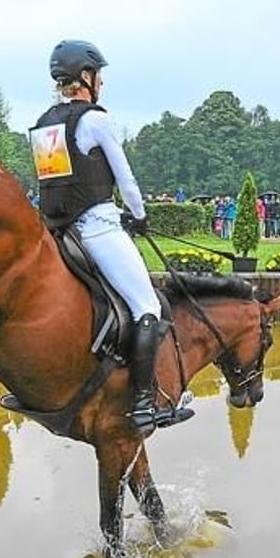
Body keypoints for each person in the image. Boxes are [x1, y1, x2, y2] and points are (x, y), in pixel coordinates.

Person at [30, 39, 193, 436]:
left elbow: (67, 185)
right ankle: (142, 405)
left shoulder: (43, 123)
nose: (100, 82)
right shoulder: (96, 119)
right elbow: (126, 178)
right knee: (147, 307)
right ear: (86, 77)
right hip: (98, 229)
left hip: (57, 231)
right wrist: (139, 215)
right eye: (98, 75)